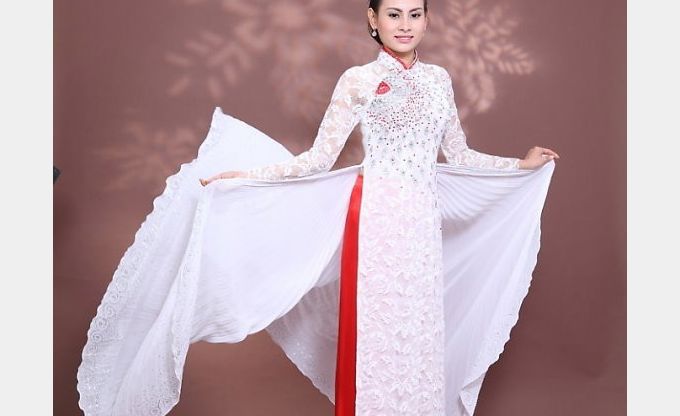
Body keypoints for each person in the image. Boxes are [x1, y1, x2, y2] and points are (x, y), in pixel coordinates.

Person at [77, 0, 559, 415]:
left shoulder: (439, 80)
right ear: (372, 19)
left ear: (427, 20)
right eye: (394, 14)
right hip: (376, 223)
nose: (405, 24)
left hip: (422, 228)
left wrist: (519, 165)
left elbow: (459, 155)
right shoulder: (359, 80)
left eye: (415, 14)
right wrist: (245, 177)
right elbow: (316, 160)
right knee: (377, 339)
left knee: (418, 337)